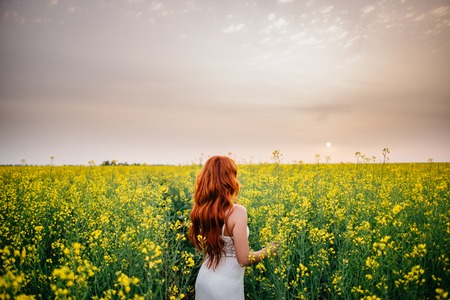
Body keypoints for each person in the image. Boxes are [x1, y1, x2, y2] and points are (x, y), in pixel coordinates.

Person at [188, 155, 277, 300]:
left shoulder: (201, 211)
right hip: (225, 286)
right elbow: (244, 259)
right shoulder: (237, 211)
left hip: (204, 280)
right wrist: (269, 250)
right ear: (228, 179)